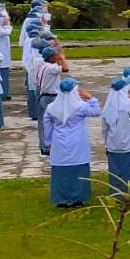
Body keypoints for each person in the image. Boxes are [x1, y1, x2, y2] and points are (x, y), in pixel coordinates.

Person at [43, 78, 102, 207]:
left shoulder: (52, 107)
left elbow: (46, 125)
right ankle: (78, 199)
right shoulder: (81, 107)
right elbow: (97, 111)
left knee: (61, 171)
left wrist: (48, 140)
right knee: (78, 169)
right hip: (78, 141)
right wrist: (90, 98)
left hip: (59, 141)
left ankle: (61, 199)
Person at [102, 78, 130, 198]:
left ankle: (116, 195)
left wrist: (107, 143)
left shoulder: (108, 107)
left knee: (116, 172)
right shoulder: (128, 105)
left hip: (113, 146)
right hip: (129, 144)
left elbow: (104, 129)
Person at [36, 45, 70, 156]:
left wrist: (59, 55)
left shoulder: (43, 66)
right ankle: (50, 146)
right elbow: (65, 68)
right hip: (50, 97)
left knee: (43, 123)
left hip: (43, 96)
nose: (56, 57)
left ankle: (44, 146)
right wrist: (62, 58)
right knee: (53, 123)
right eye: (54, 55)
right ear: (50, 57)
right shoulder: (51, 68)